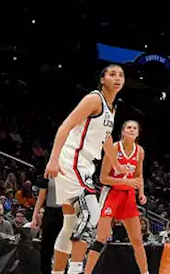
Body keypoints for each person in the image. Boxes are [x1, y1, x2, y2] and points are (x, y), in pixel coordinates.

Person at [45, 65, 123, 274]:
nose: (117, 78)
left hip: (85, 165)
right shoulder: (94, 99)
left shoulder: (111, 107)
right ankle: (76, 269)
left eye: (121, 75)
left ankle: (58, 272)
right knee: (91, 215)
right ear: (102, 79)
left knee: (71, 223)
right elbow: (65, 126)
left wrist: (116, 164)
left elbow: (106, 138)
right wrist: (53, 160)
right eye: (112, 74)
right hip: (72, 161)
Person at [83, 121, 148, 274]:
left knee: (137, 240)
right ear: (123, 132)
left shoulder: (140, 151)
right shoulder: (114, 148)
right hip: (111, 193)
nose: (132, 130)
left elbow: (139, 175)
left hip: (129, 196)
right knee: (101, 237)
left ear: (138, 133)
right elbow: (103, 178)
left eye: (135, 128)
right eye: (128, 127)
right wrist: (125, 181)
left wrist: (141, 193)